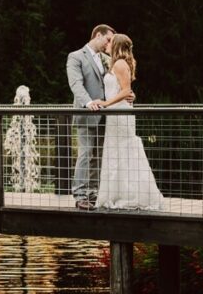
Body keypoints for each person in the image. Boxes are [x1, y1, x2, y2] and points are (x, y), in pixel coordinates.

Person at [94, 34, 165, 211]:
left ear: (116, 45)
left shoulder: (120, 64)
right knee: (116, 152)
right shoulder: (117, 63)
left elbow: (126, 90)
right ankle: (118, 193)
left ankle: (131, 194)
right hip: (115, 113)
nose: (107, 44)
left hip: (120, 113)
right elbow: (125, 91)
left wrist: (105, 104)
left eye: (110, 42)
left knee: (123, 151)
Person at [67, 24, 129, 210]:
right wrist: (88, 103)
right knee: (85, 153)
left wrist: (127, 93)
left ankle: (93, 192)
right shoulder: (76, 56)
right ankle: (80, 194)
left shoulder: (106, 58)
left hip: (105, 115)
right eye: (108, 40)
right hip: (86, 113)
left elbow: (116, 82)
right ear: (97, 35)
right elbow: (76, 84)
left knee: (99, 156)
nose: (109, 44)